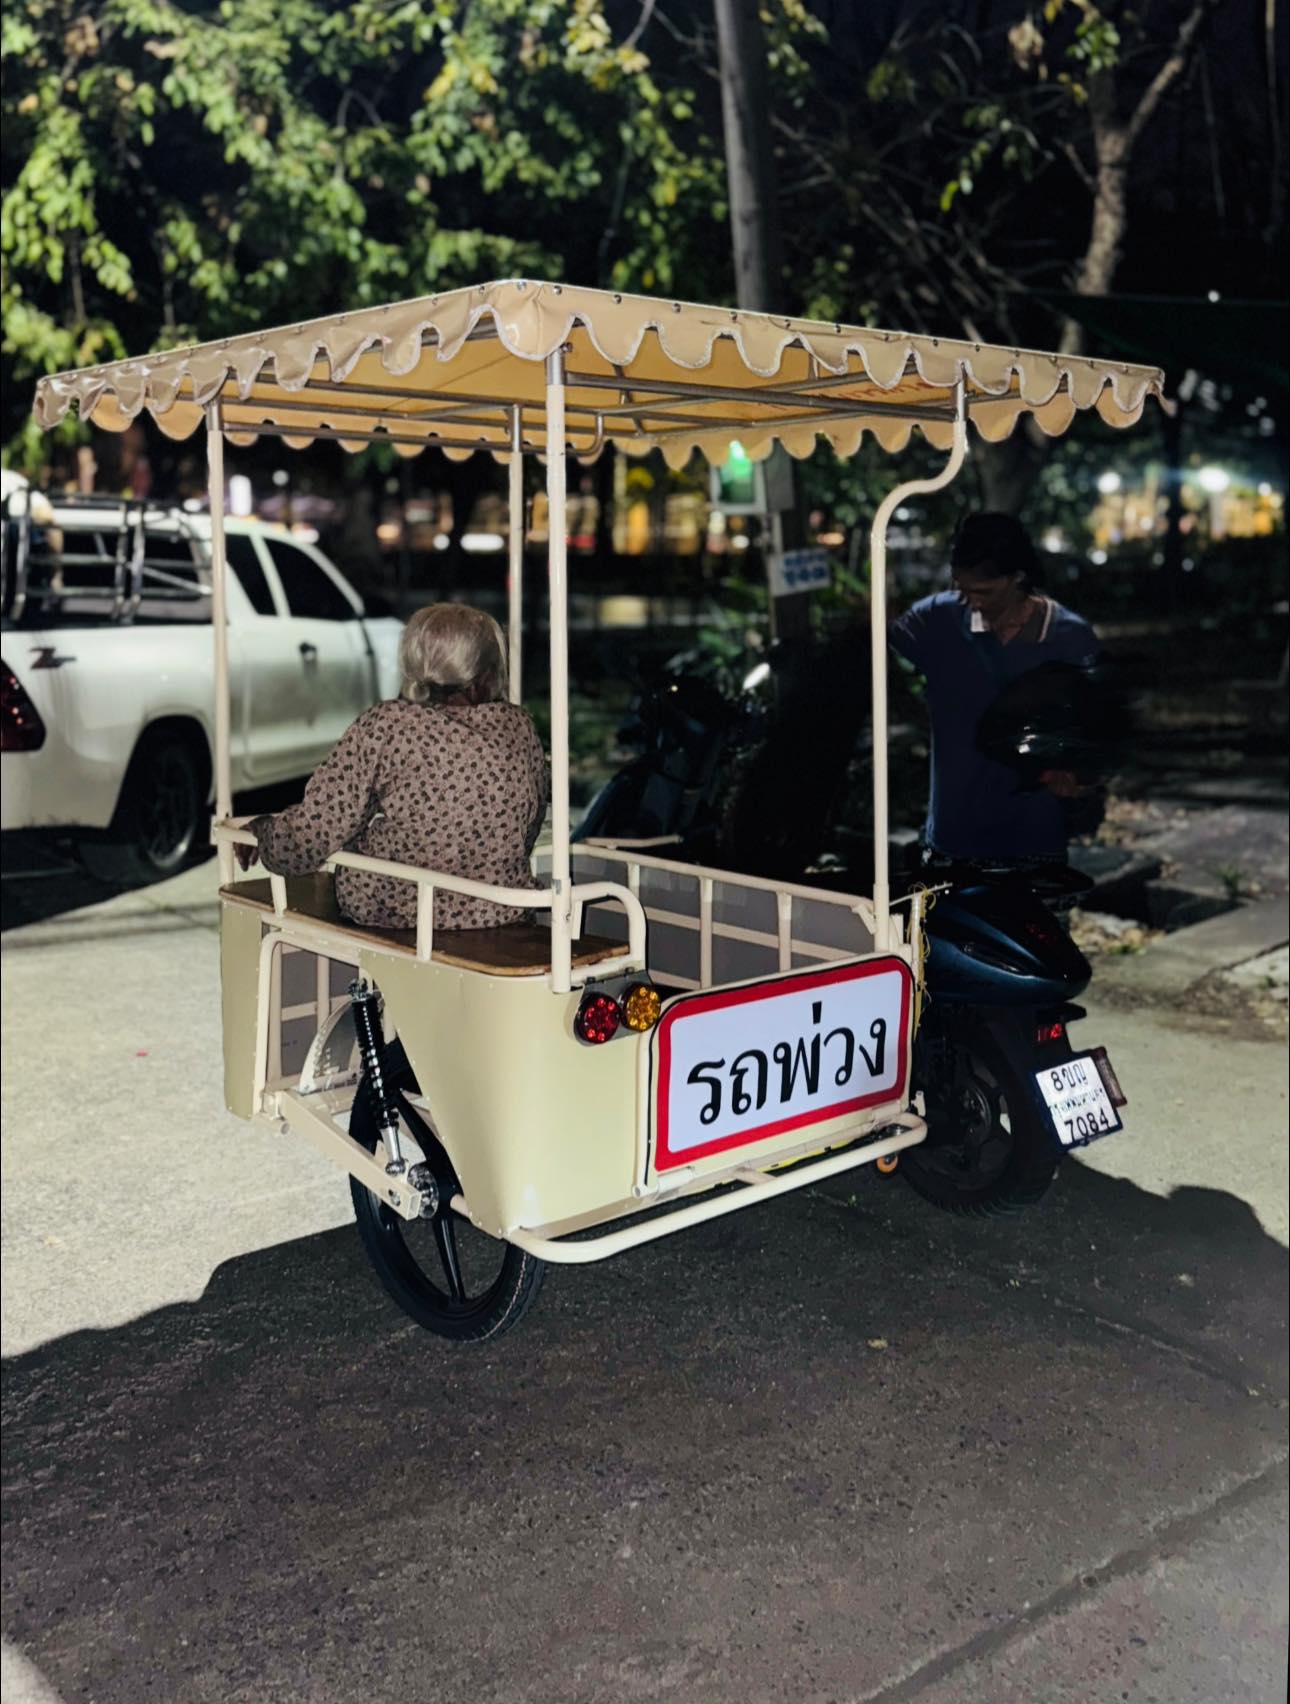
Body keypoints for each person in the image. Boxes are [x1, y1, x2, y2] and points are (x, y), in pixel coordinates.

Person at [237, 603, 549, 930]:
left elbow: (315, 833)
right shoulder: (520, 727)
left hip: (398, 911)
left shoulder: (389, 725)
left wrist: (265, 834)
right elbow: (527, 827)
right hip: (500, 912)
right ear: (486, 674)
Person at [889, 512, 1101, 868]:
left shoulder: (1070, 638)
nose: (970, 601)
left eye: (983, 592)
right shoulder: (938, 619)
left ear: (1018, 578)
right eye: (962, 588)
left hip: (1034, 844)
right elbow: (877, 653)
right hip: (952, 842)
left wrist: (1079, 776)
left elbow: (1095, 732)